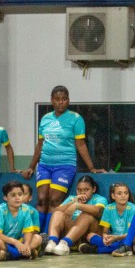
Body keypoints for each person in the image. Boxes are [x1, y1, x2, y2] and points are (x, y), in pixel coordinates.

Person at [20, 86, 105, 234]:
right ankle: (35, 235)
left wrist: (91, 167)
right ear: (52, 100)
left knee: (54, 199)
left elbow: (81, 144)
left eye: (64, 99)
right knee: (42, 199)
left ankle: (48, 235)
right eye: (57, 99)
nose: (61, 102)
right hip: (44, 165)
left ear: (68, 100)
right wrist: (31, 166)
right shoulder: (45, 119)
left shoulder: (76, 119)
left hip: (65, 166)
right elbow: (40, 144)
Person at [43, 175, 107, 256]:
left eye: (86, 190)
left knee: (86, 215)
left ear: (93, 189)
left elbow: (98, 211)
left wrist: (78, 206)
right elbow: (56, 211)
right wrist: (73, 202)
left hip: (88, 234)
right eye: (79, 190)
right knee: (58, 213)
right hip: (71, 231)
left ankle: (65, 243)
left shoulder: (100, 199)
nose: (82, 193)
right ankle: (52, 241)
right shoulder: (72, 198)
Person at [0, 180, 42, 261]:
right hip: (4, 242)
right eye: (13, 195)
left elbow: (28, 231)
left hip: (19, 242)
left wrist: (26, 245)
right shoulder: (0, 210)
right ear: (5, 197)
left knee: (38, 238)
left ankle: (11, 254)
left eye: (20, 194)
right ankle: (21, 254)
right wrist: (15, 242)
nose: (17, 198)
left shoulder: (25, 209)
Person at [79, 182, 135, 254]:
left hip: (126, 238)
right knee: (90, 235)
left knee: (132, 239)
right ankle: (125, 249)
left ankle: (96, 250)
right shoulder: (108, 208)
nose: (123, 196)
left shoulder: (133, 209)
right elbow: (105, 232)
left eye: (126, 193)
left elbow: (131, 233)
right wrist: (106, 238)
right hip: (113, 239)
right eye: (119, 193)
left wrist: (116, 237)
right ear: (113, 196)